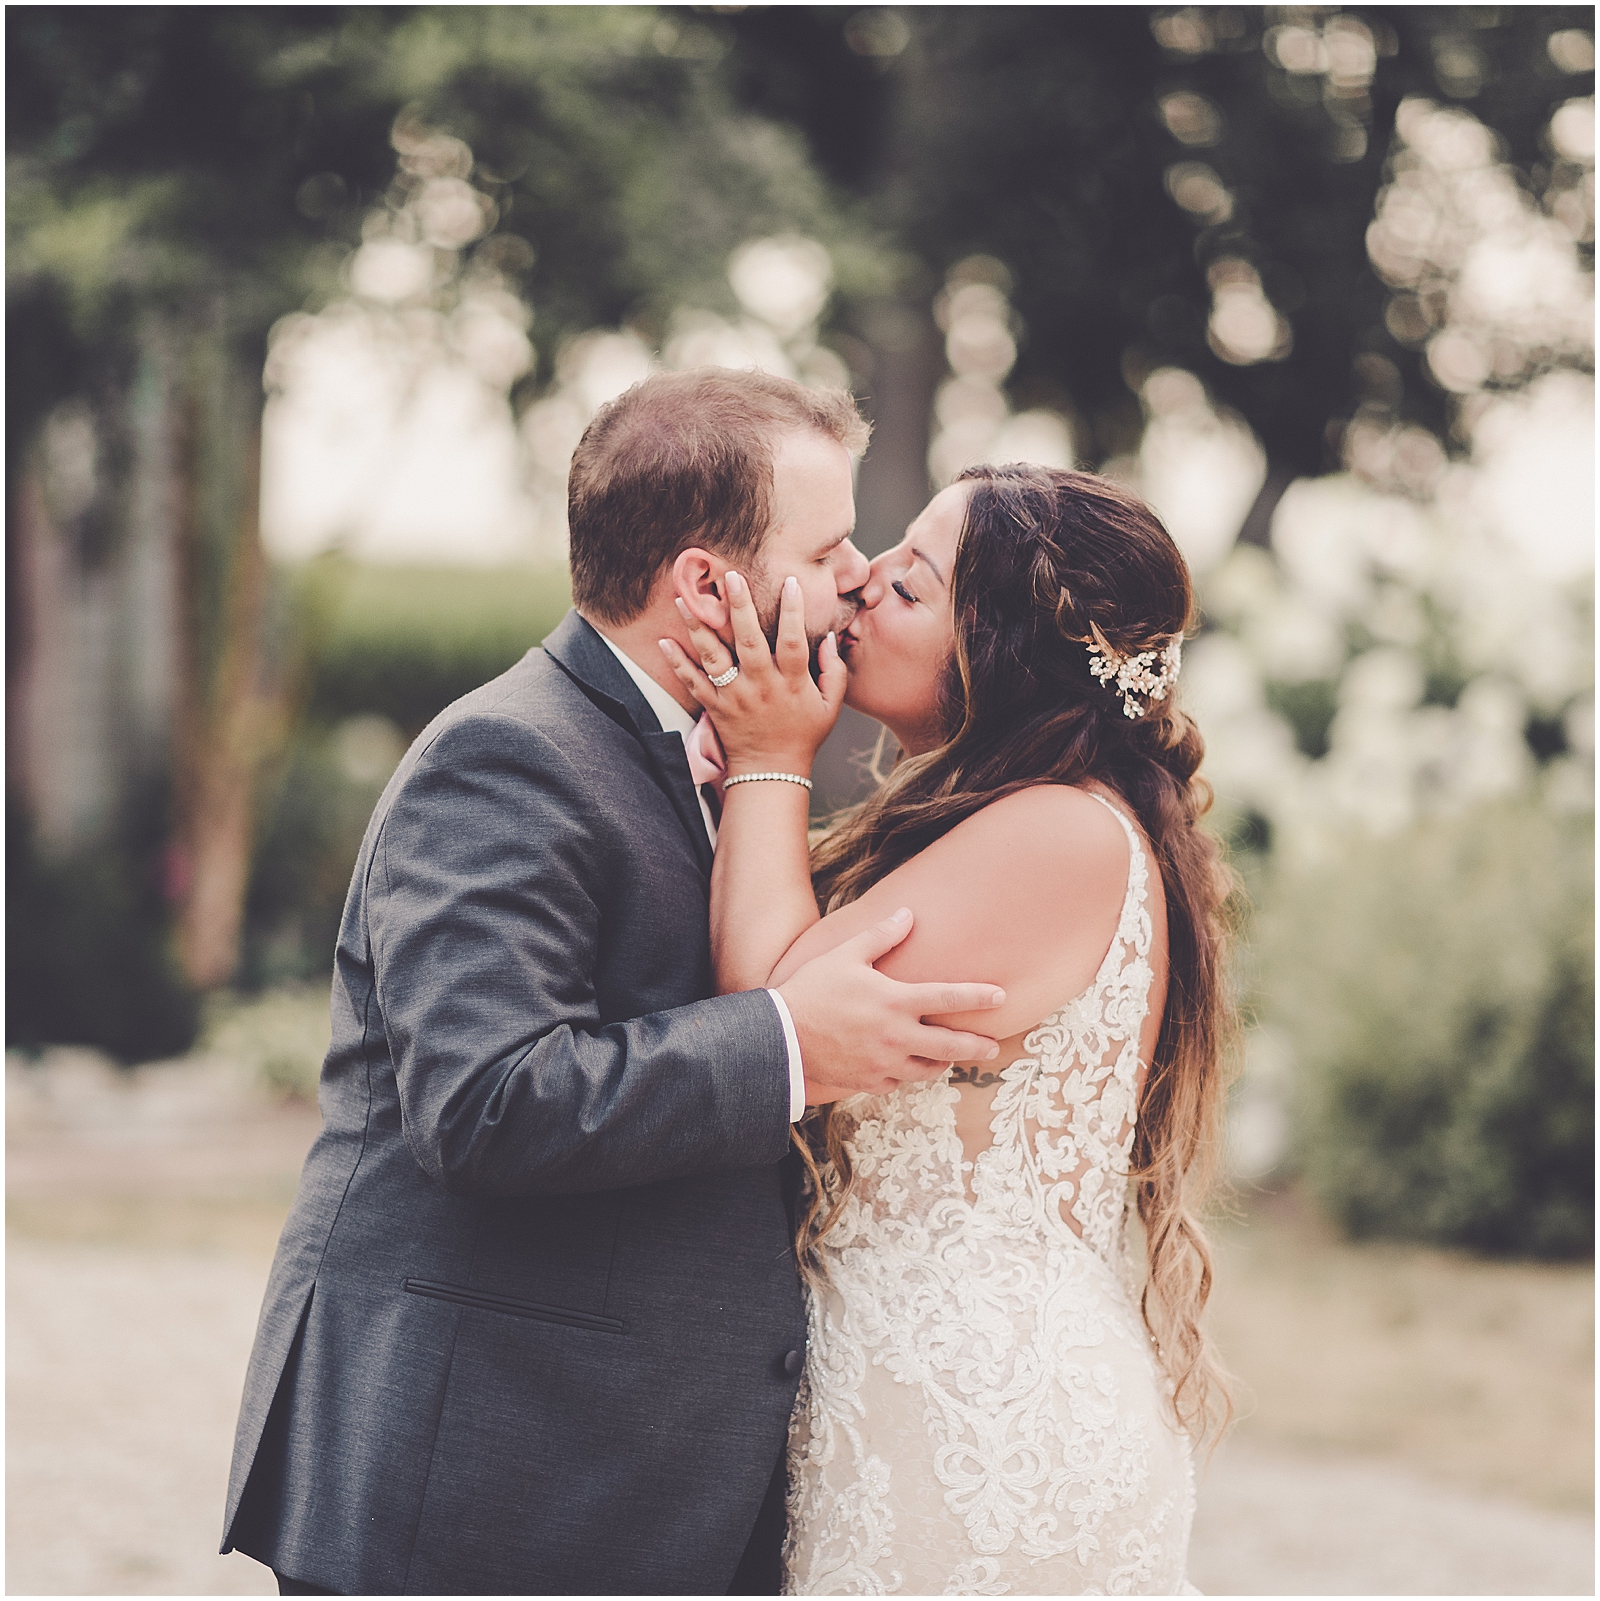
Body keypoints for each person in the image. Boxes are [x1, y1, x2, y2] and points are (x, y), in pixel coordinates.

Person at [221, 369, 1011, 1597]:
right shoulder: (506, 758)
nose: (859, 572)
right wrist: (788, 1044)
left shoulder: (727, 753)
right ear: (703, 582)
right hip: (483, 1481)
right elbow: (484, 1100)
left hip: (623, 1475)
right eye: (827, 544)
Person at [660, 462, 1234, 1596]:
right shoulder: (1028, 822)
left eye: (909, 585)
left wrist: (772, 759)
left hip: (975, 1424)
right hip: (923, 1389)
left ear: (1001, 657)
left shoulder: (1055, 833)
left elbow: (770, 1014)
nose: (860, 583)